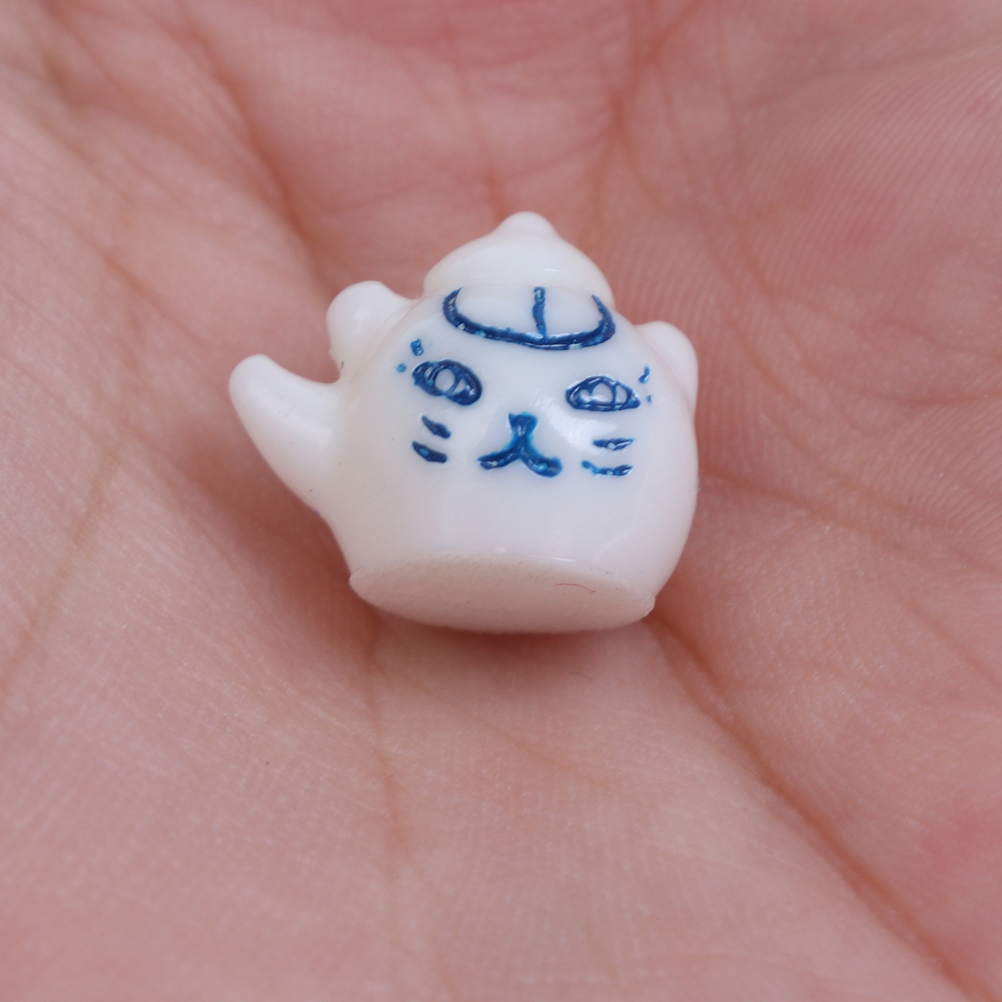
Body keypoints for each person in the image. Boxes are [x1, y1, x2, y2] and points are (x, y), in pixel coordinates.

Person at [1, 0, 998, 997]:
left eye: (589, 399)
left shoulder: (537, 344)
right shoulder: (489, 339)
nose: (521, 423)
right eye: (457, 387)